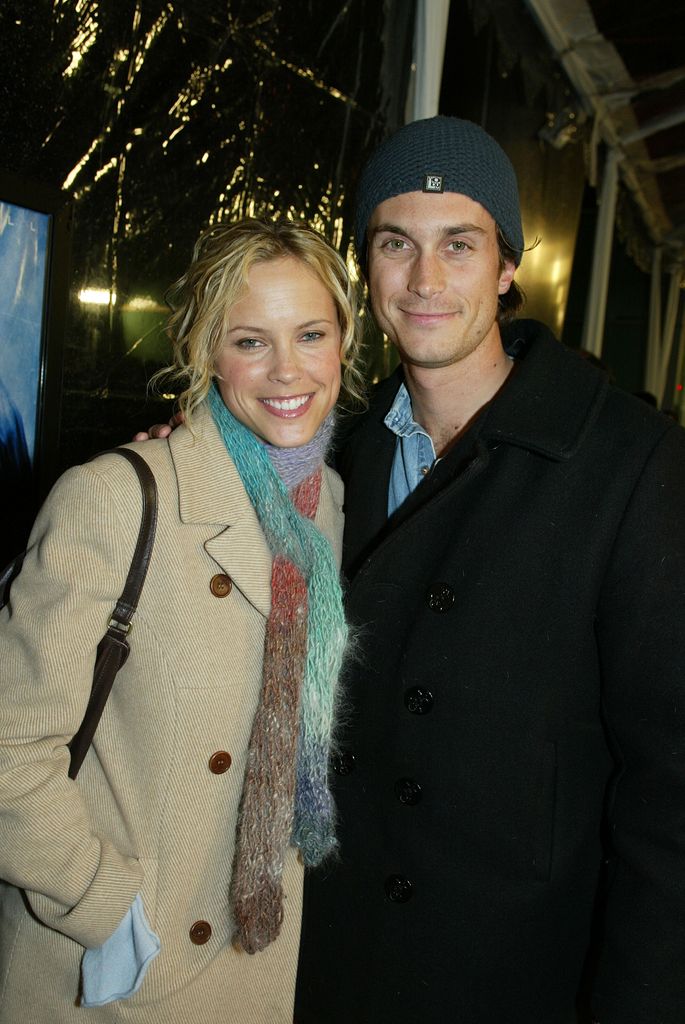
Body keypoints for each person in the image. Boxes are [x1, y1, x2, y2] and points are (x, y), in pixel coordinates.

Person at [289, 117, 685, 1023]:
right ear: (366, 265)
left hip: (515, 975)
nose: (424, 281)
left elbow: (669, 794)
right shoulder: (326, 454)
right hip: (330, 964)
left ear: (505, 267)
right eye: (396, 243)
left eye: (457, 245)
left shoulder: (627, 465)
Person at [0, 218, 363, 1022]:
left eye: (310, 334)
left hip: (258, 960)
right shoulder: (115, 498)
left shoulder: (331, 504)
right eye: (249, 341)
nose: (286, 371)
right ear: (203, 352)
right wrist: (105, 906)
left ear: (346, 340)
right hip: (118, 977)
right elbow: (7, 744)